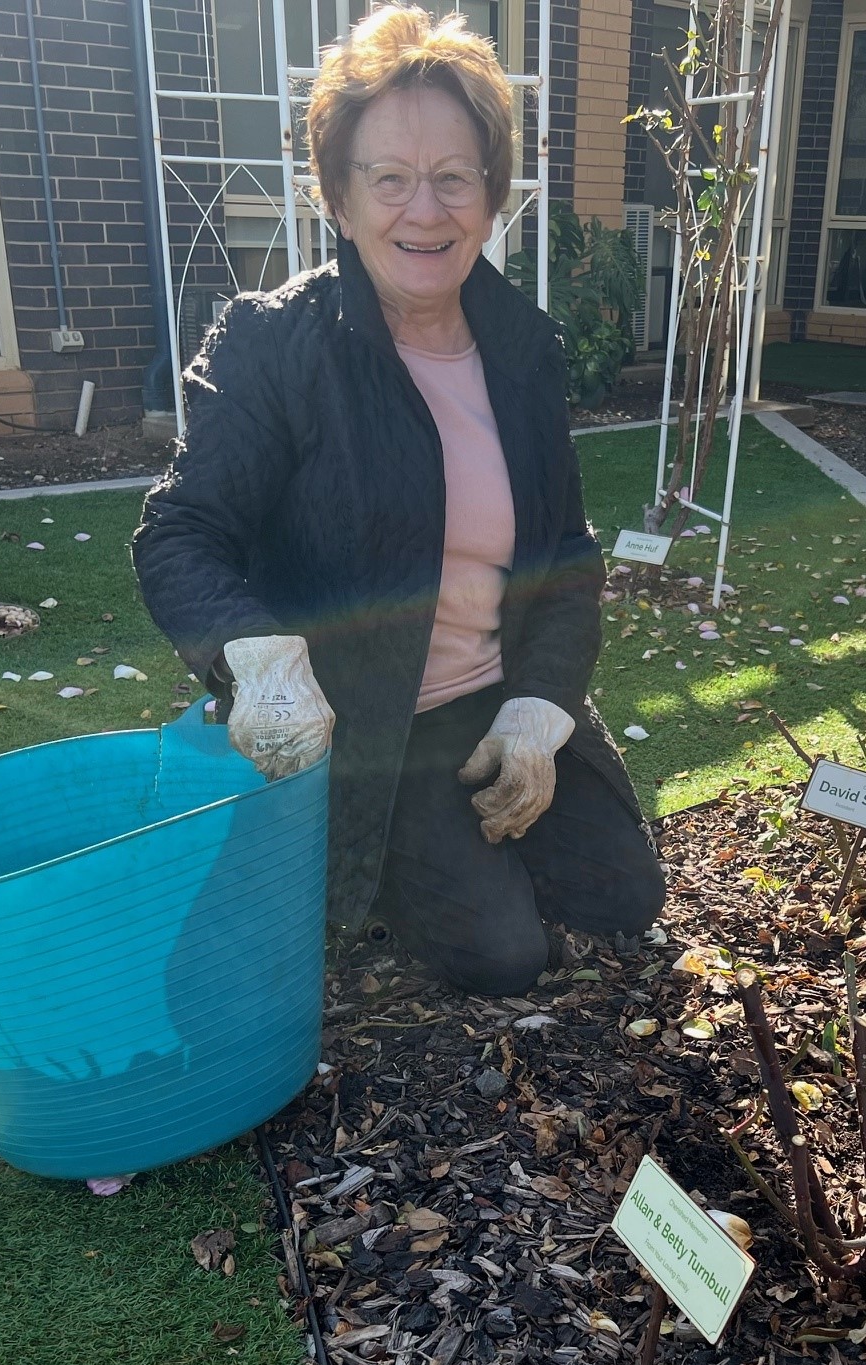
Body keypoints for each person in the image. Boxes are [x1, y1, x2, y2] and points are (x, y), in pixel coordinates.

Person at [132, 5, 664, 997]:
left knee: (621, 894)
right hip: (368, 721)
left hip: (491, 699)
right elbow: (183, 533)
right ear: (339, 198)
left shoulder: (524, 353)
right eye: (390, 179)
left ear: (491, 196)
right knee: (502, 954)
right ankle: (362, 859)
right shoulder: (276, 347)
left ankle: (450, 851)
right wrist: (256, 655)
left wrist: (541, 711)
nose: (425, 211)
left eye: (454, 178)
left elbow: (564, 555)